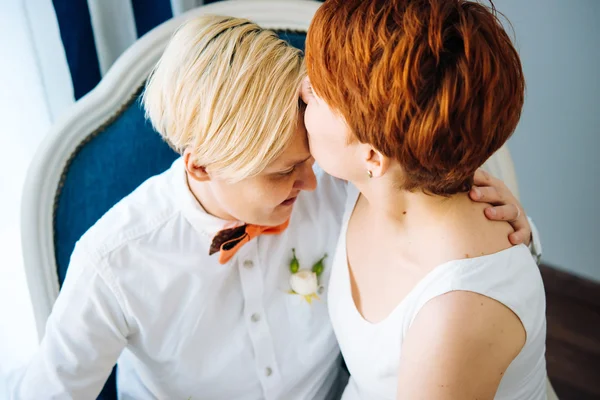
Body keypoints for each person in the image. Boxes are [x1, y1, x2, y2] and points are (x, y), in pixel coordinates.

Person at [10, 12, 535, 400]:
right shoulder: (114, 260)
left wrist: (514, 225)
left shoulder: (342, 181)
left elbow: (448, 245)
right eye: (282, 172)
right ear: (200, 167)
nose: (309, 181)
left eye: (305, 157)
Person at [302, 0, 546, 399]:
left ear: (372, 157)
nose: (303, 89)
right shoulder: (367, 181)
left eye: (319, 92)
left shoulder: (456, 313)